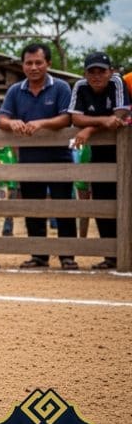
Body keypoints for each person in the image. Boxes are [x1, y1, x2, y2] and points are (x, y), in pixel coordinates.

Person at [0, 43, 77, 270]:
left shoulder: (61, 87)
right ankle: (39, 255)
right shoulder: (15, 90)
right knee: (33, 207)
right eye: (29, 63)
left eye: (38, 62)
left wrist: (40, 123)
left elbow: (66, 118)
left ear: (48, 64)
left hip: (59, 157)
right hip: (29, 158)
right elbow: (1, 119)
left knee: (64, 206)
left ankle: (67, 255)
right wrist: (11, 122)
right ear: (22, 65)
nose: (33, 67)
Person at [69, 51, 130, 270]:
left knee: (126, 200)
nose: (96, 76)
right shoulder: (80, 86)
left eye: (101, 71)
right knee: (103, 199)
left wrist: (89, 128)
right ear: (85, 73)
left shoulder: (117, 82)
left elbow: (121, 114)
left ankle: (125, 252)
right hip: (100, 152)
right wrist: (101, 122)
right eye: (91, 71)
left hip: (125, 150)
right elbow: (75, 117)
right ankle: (109, 254)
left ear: (110, 72)